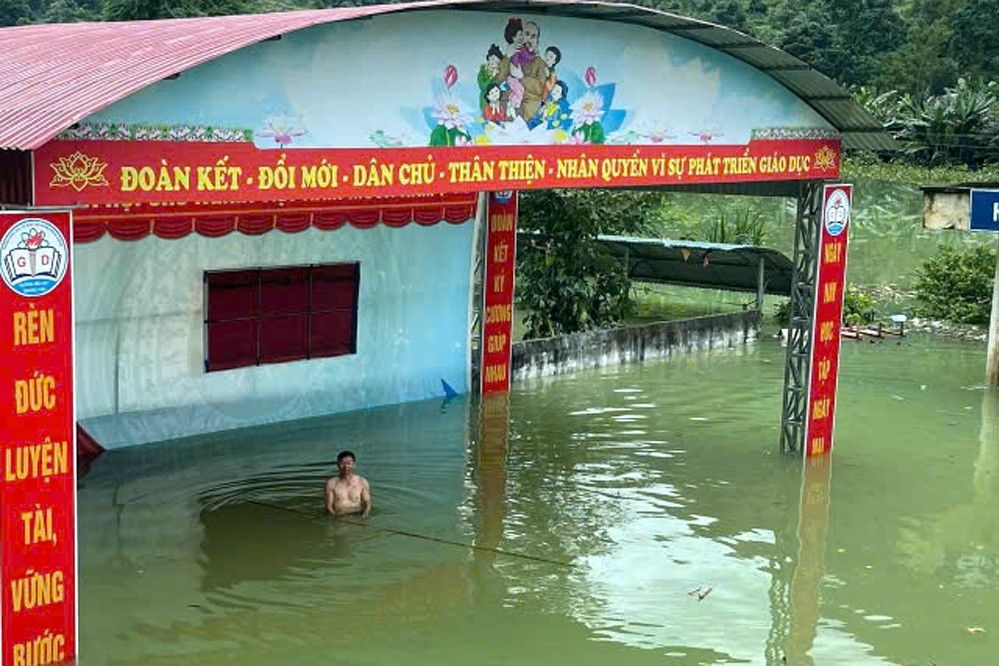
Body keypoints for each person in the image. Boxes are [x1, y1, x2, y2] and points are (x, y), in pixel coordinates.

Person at [325, 450, 371, 518]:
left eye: (349, 463)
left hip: (357, 515)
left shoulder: (362, 482)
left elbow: (367, 502)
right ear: (337, 465)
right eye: (342, 463)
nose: (346, 466)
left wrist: (365, 514)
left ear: (354, 464)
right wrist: (335, 518)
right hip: (339, 517)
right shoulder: (331, 483)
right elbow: (329, 506)